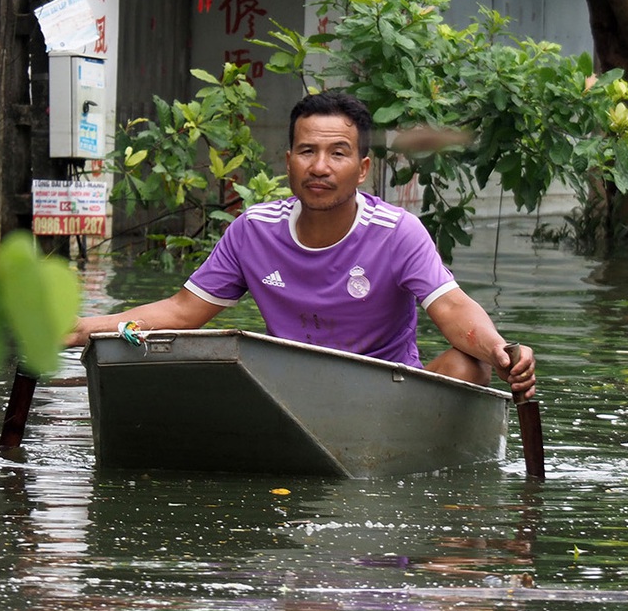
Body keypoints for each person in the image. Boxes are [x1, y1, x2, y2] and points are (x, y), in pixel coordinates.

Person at [65, 90, 538, 399]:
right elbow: (182, 312)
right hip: (291, 399)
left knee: (468, 365)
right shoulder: (253, 229)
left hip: (393, 400)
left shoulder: (396, 231)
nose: (320, 167)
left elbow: (453, 309)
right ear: (288, 161)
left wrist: (501, 350)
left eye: (338, 153)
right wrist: (83, 327)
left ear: (363, 168)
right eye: (308, 152)